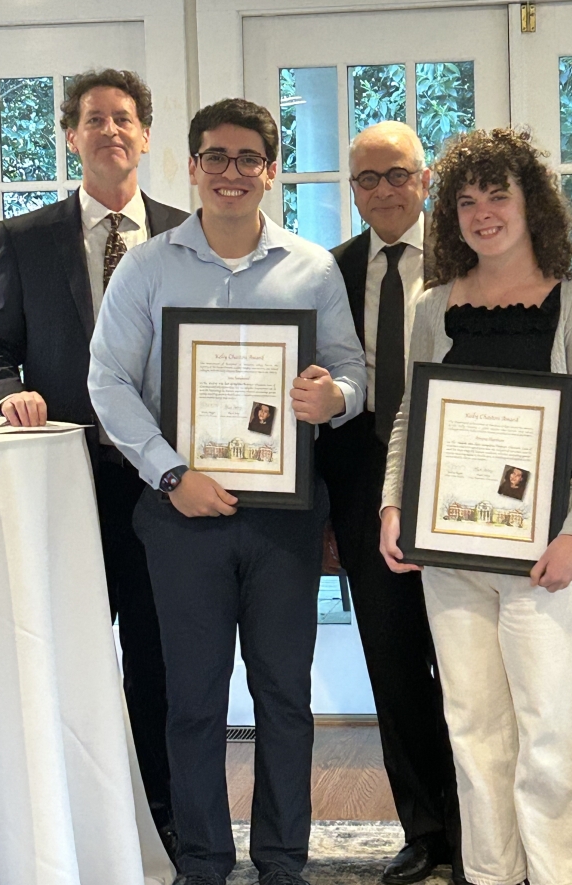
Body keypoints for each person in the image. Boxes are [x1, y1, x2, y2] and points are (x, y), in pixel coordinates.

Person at [88, 98, 366, 885]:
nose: (232, 172)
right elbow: (107, 381)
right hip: (179, 515)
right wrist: (172, 472)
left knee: (284, 697)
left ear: (270, 170)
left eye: (249, 158)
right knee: (193, 699)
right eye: (216, 157)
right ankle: (204, 861)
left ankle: (283, 860)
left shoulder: (311, 268)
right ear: (192, 166)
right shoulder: (147, 266)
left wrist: (332, 399)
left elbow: (352, 371)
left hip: (283, 518)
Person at [380, 128, 572, 885]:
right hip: (451, 560)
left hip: (545, 561)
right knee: (475, 732)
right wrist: (394, 507)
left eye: (498, 196)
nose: (483, 213)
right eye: (467, 201)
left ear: (531, 204)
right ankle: (488, 874)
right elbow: (410, 421)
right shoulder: (432, 307)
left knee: (550, 733)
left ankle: (558, 875)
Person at [0, 68, 188, 857]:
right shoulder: (26, 239)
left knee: (161, 656)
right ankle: (71, 820)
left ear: (146, 133)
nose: (110, 131)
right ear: (71, 135)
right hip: (65, 486)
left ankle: (161, 814)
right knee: (69, 651)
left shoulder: (183, 235)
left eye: (124, 118)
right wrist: (5, 396)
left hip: (163, 485)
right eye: (93, 119)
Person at [316, 121, 464, 885]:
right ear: (352, 188)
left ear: (426, 177)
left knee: (468, 662)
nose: (382, 190)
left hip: (459, 478)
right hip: (364, 487)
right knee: (394, 662)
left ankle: (480, 827)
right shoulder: (329, 270)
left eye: (396, 174)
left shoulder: (471, 258)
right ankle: (424, 827)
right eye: (367, 179)